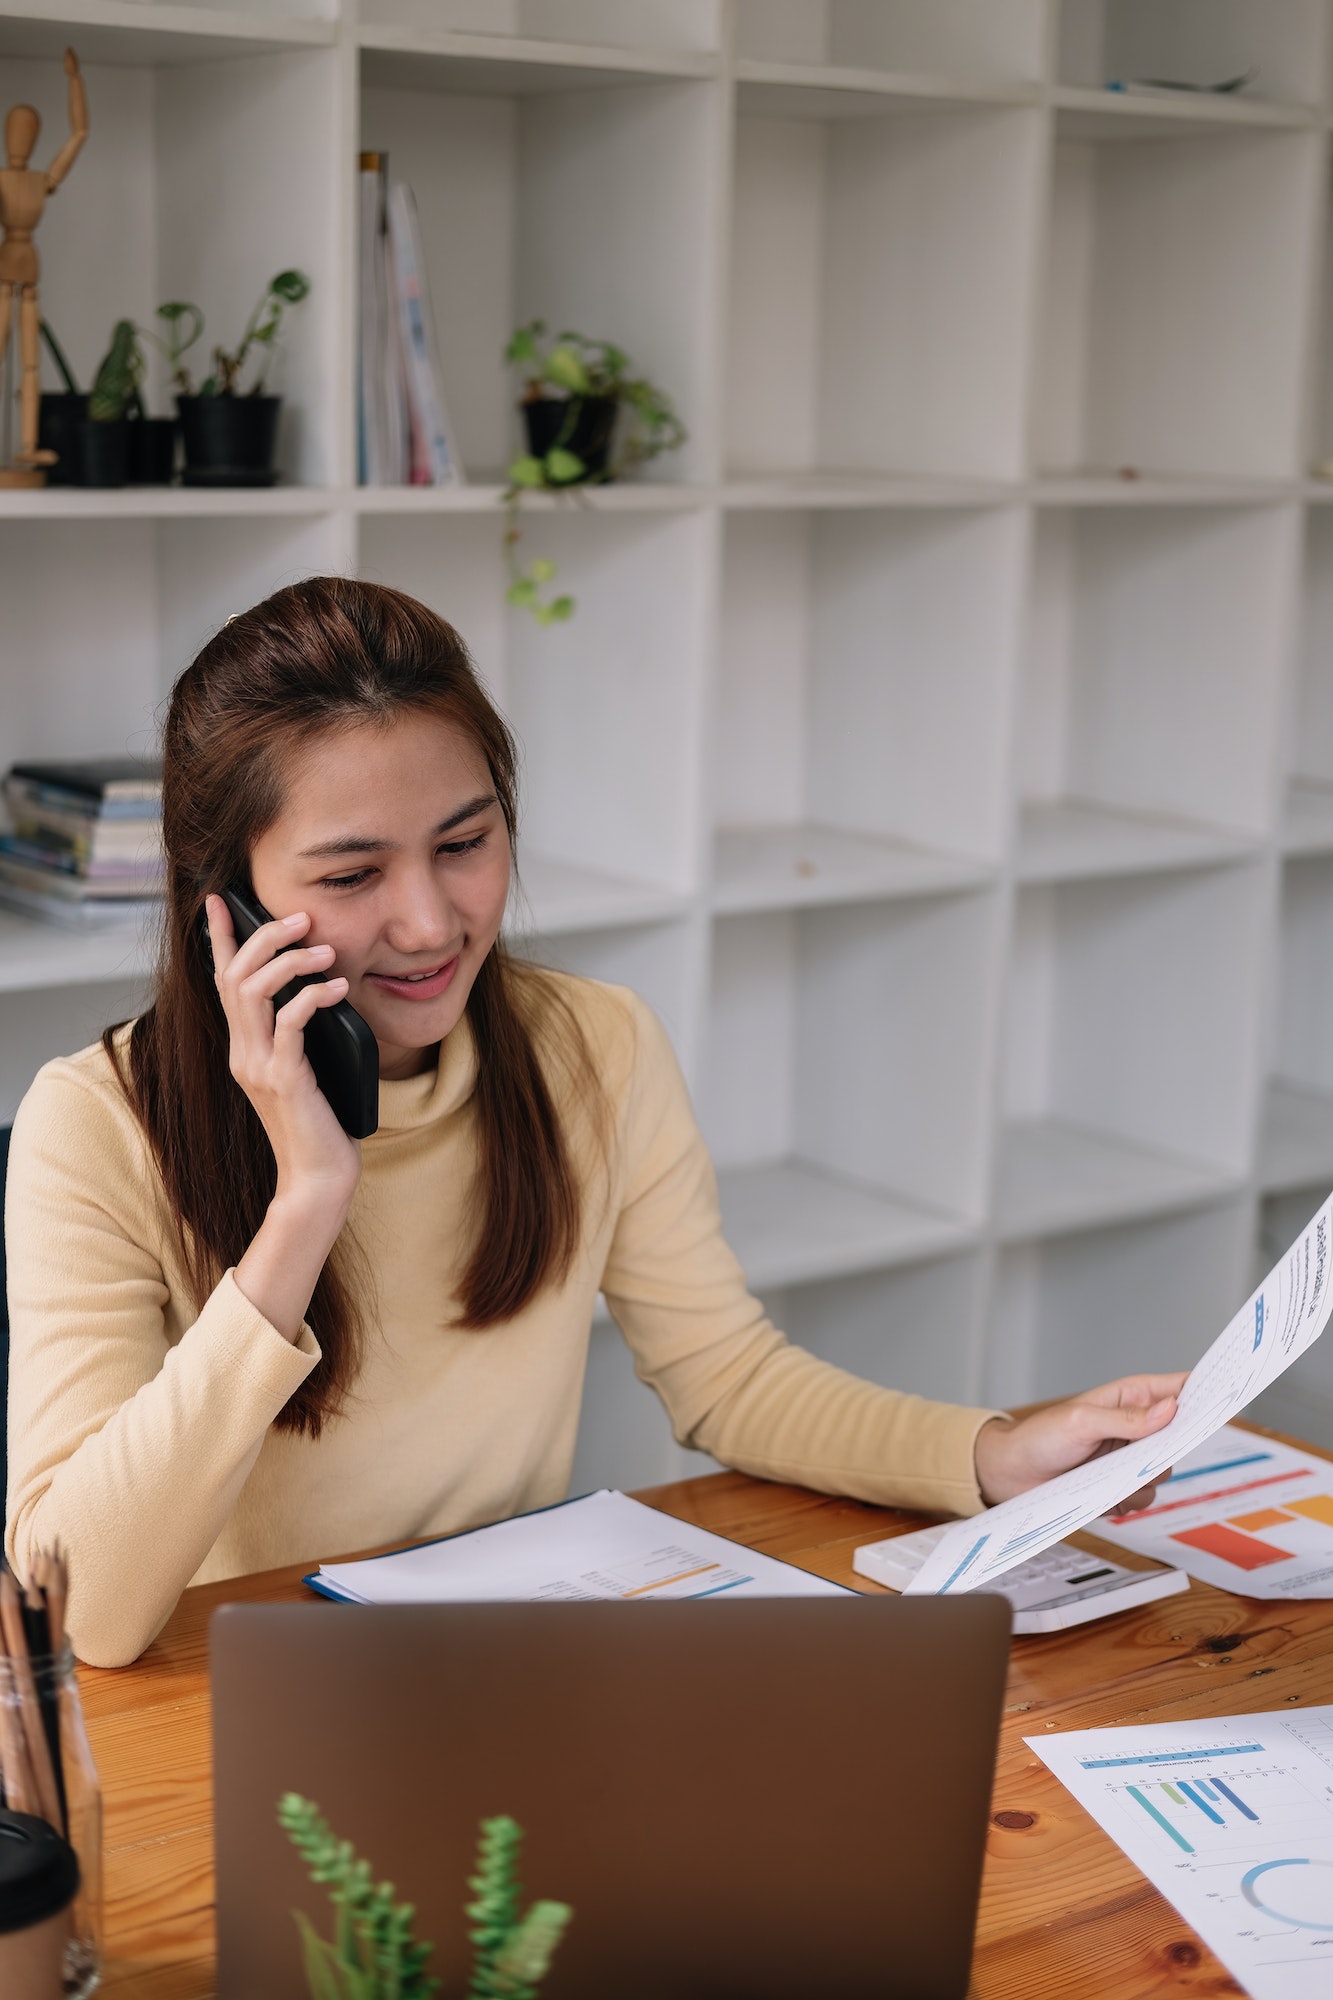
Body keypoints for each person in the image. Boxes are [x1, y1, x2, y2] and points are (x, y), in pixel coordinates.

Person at [4, 580, 1186, 1666]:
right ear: (227, 902)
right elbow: (85, 1612)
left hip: (501, 1680)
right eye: (354, 874)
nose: (427, 921)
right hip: (228, 1707)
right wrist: (306, 1199)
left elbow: (727, 1377)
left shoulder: (594, 1046)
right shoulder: (95, 1126)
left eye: (464, 844)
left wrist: (992, 1454)